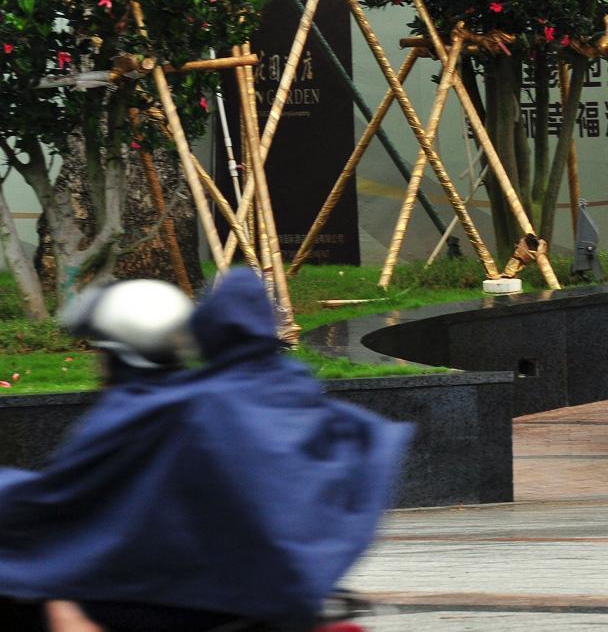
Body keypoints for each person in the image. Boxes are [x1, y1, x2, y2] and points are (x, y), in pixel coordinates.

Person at [0, 270, 412, 630]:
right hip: (269, 594)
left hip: (174, 600)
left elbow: (56, 499)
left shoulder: (152, 412)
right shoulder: (280, 395)